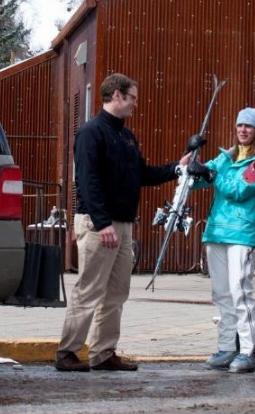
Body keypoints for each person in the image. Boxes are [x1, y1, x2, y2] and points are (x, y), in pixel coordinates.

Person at [55, 73, 191, 372]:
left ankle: (103, 352)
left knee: (117, 292)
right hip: (99, 224)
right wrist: (102, 222)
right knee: (89, 289)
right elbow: (87, 181)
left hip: (123, 223)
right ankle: (67, 352)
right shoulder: (91, 132)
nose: (134, 104)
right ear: (116, 95)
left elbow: (141, 174)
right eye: (132, 98)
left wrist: (176, 168)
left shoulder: (127, 137)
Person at [188, 107, 255, 374]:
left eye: (249, 126)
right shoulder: (226, 157)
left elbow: (239, 190)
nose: (243, 130)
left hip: (242, 232)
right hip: (216, 231)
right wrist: (192, 159)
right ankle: (227, 347)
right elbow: (194, 182)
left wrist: (212, 175)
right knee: (222, 294)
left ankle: (252, 351)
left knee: (240, 291)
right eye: (240, 125)